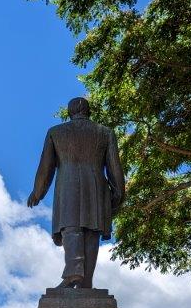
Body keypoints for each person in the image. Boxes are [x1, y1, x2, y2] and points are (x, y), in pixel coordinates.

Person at [28, 97, 125, 289]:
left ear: (70, 112)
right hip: (96, 188)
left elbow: (46, 168)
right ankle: (85, 279)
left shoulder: (56, 132)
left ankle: (74, 275)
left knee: (71, 229)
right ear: (88, 111)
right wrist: (118, 193)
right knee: (91, 232)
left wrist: (37, 192)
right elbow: (115, 169)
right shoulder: (105, 133)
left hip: (68, 187)